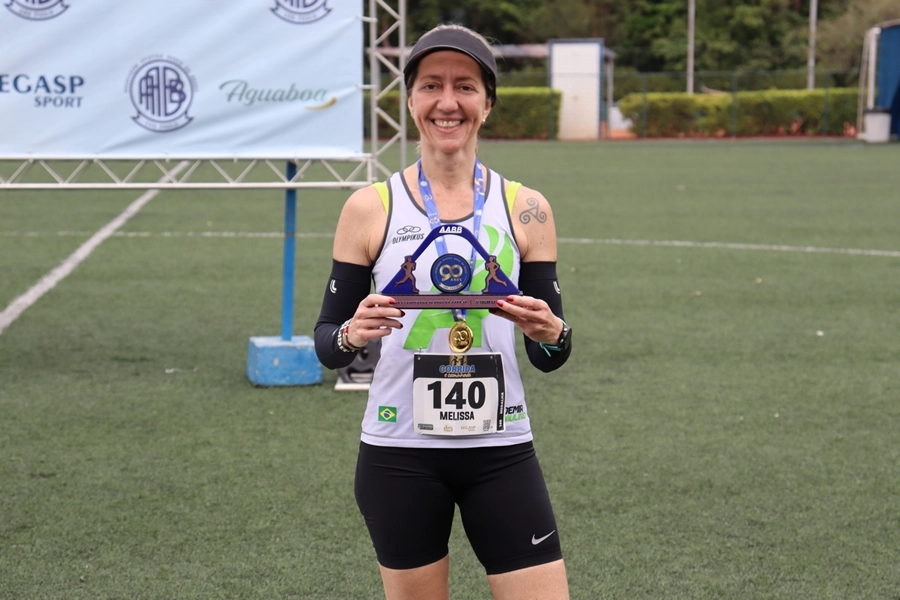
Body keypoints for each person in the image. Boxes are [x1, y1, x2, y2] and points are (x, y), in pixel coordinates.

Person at [314, 23, 573, 600]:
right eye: (431, 85)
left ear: (487, 103)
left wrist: (554, 333)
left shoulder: (527, 209)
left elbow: (549, 354)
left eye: (465, 86)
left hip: (501, 450)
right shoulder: (369, 207)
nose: (447, 102)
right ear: (410, 100)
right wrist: (353, 333)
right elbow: (327, 343)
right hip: (398, 453)